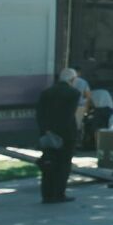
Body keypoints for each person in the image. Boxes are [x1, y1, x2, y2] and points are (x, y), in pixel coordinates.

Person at [36, 68, 81, 204]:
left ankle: (47, 194)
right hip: (66, 134)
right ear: (72, 80)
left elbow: (39, 114)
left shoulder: (46, 93)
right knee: (63, 165)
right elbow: (68, 115)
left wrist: (46, 131)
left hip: (48, 133)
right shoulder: (74, 93)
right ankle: (59, 193)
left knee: (48, 163)